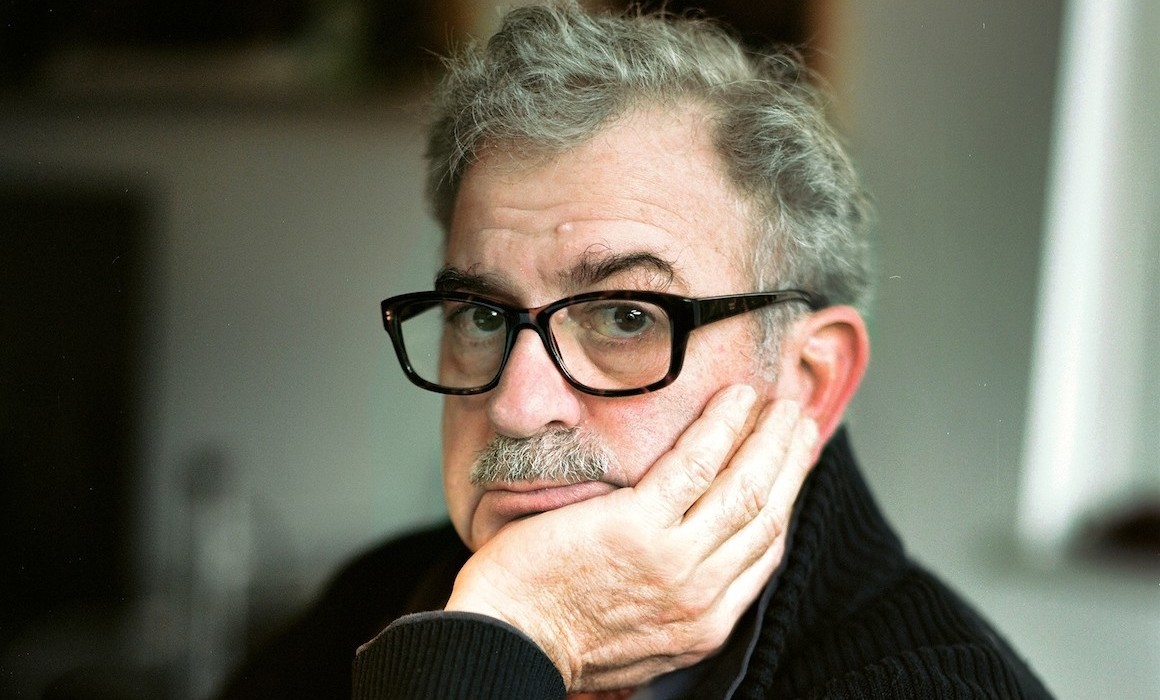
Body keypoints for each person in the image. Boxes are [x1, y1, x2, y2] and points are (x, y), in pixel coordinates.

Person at [220, 2, 1052, 698]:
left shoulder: (937, 686)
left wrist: (509, 641)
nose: (517, 406)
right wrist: (502, 635)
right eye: (480, 315)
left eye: (625, 317)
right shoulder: (377, 602)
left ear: (810, 379)